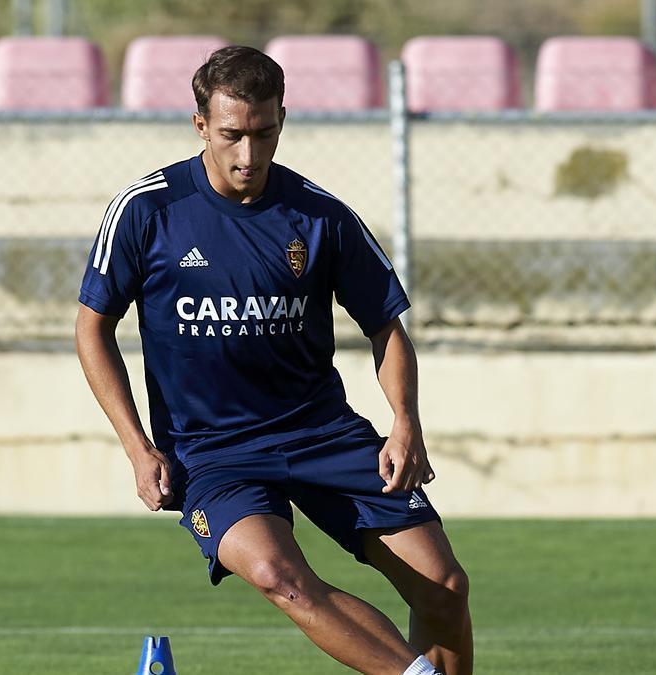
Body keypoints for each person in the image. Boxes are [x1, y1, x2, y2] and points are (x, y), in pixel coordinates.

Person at [74, 46, 473, 675]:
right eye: (233, 135)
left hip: (322, 435)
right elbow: (92, 330)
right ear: (201, 124)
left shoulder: (321, 216)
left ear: (282, 119)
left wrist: (405, 421)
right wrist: (138, 446)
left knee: (444, 587)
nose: (249, 155)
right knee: (279, 575)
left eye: (265, 134)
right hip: (212, 451)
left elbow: (385, 327)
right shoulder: (147, 211)